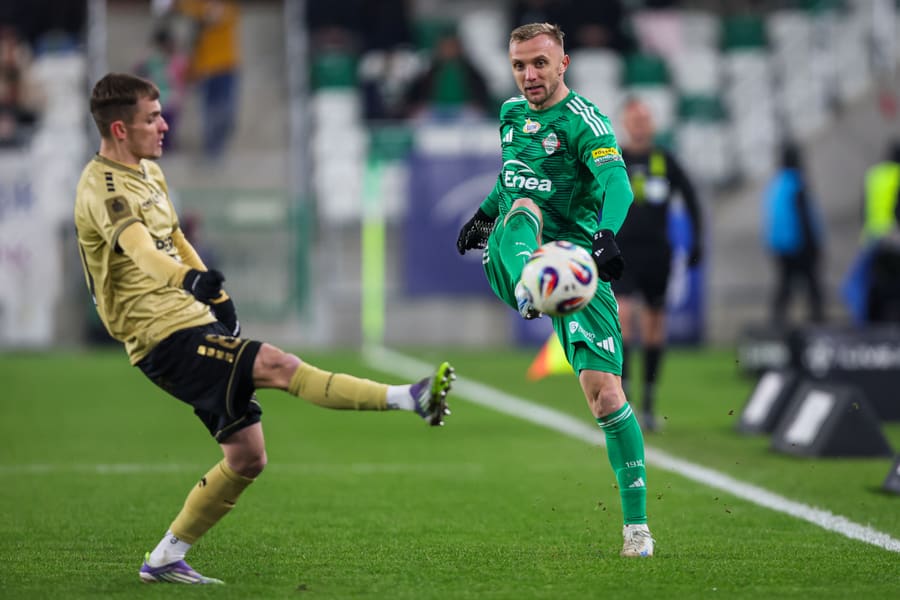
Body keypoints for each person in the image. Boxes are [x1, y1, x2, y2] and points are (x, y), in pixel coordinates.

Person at [74, 73, 454, 585]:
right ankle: (411, 397)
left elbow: (174, 236)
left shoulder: (147, 172)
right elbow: (142, 250)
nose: (165, 124)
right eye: (152, 118)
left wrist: (216, 294)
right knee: (277, 364)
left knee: (247, 457)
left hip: (190, 323)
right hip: (160, 338)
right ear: (120, 128)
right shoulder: (104, 188)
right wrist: (190, 280)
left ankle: (164, 559)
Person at [456, 23, 653, 558]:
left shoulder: (584, 121)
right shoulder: (510, 116)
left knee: (606, 395)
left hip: (577, 267)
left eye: (539, 63)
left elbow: (617, 183)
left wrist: (606, 233)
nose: (528, 75)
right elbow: (514, 180)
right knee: (524, 209)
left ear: (563, 62)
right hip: (519, 248)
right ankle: (529, 284)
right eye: (520, 65)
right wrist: (485, 213)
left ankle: (636, 528)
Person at [612, 97, 704, 432]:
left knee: (653, 325)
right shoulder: (613, 159)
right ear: (625, 123)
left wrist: (697, 241)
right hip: (620, 252)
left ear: (652, 124)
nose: (639, 124)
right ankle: (624, 398)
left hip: (656, 254)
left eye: (645, 119)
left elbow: (692, 198)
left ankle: (649, 403)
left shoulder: (665, 160)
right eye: (634, 118)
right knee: (622, 319)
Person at [761, 141, 824, 326]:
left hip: (779, 246)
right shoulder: (797, 183)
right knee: (812, 285)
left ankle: (776, 323)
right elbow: (804, 218)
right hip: (799, 244)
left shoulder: (776, 184)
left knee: (785, 285)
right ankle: (818, 324)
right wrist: (814, 245)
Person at [174, 0, 240, 159]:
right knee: (209, 111)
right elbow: (181, 9)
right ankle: (212, 149)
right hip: (206, 69)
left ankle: (218, 145)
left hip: (226, 67)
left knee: (226, 112)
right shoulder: (196, 6)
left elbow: (215, 16)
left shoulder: (229, 7)